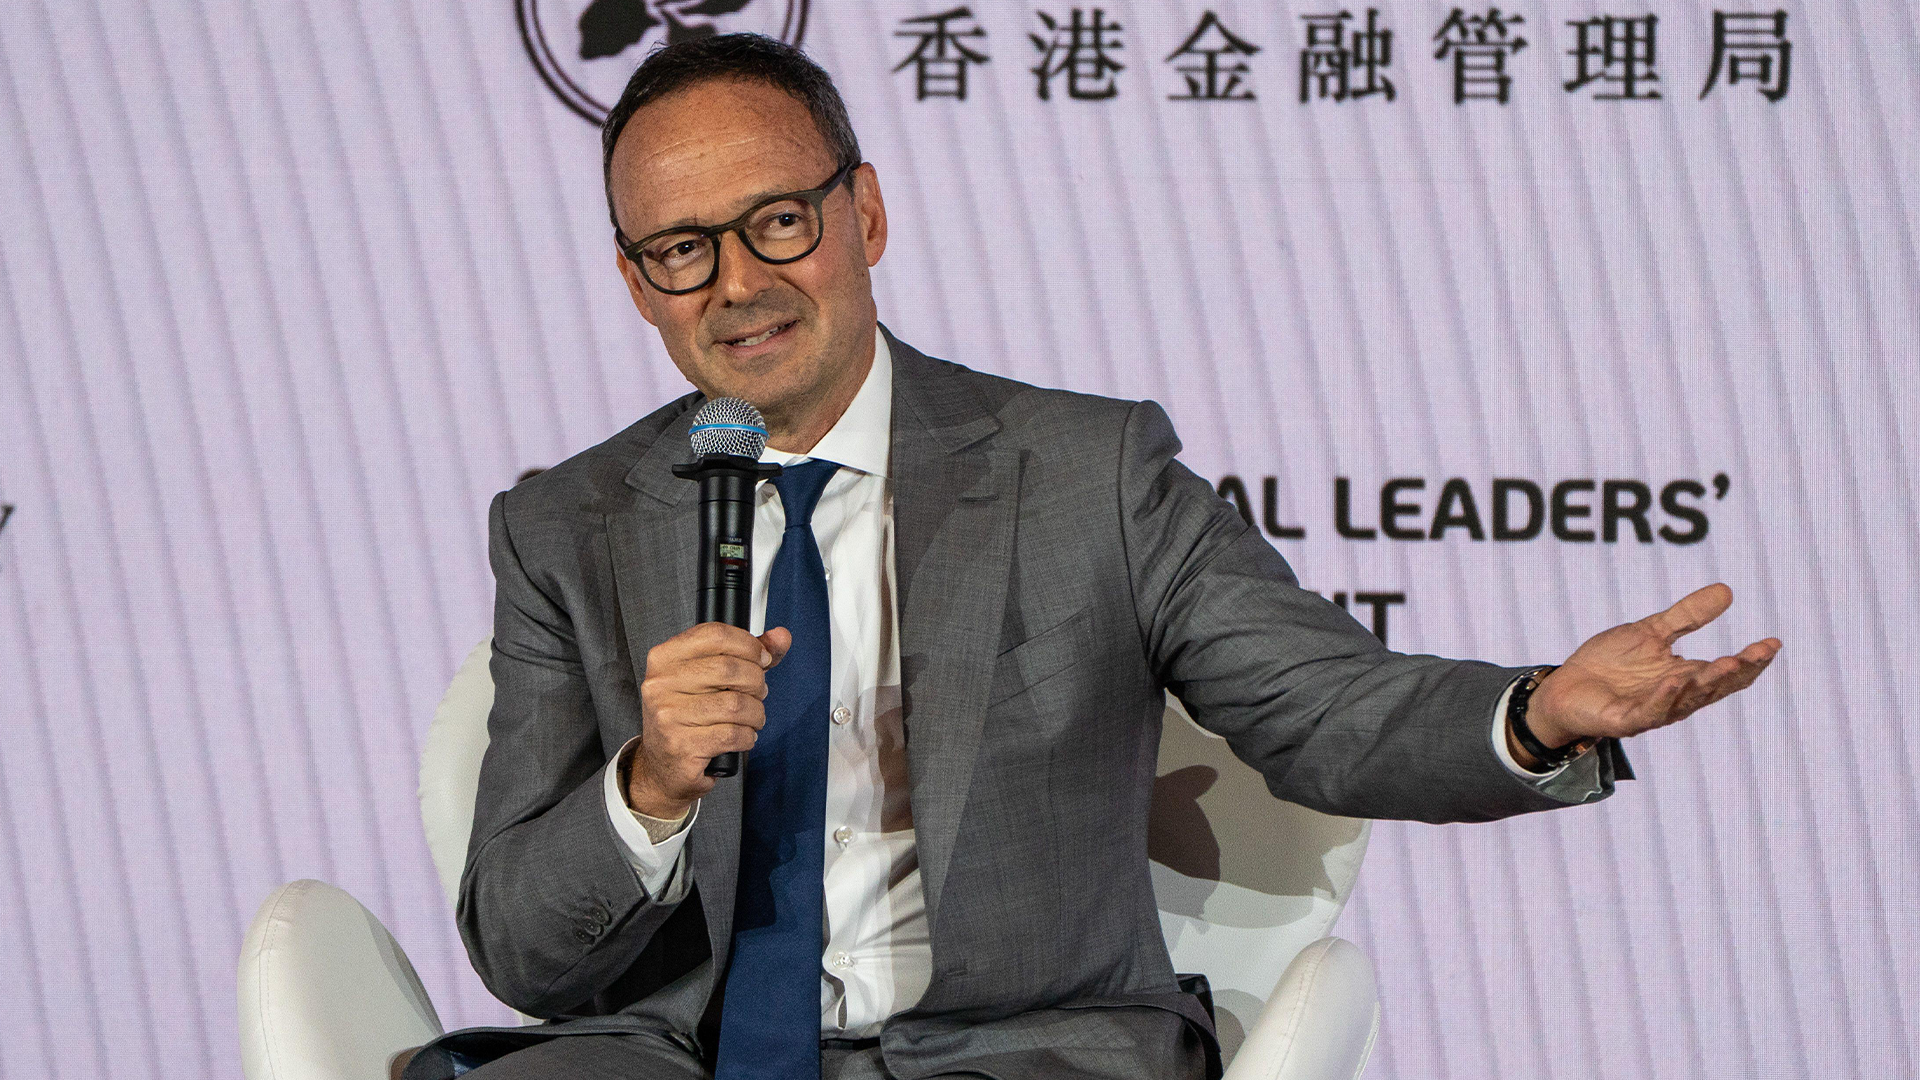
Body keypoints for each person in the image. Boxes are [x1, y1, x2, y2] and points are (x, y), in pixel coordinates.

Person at [404, 33, 1779, 1080]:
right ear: (636, 283)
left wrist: (1536, 713)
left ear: (862, 214)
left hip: (1017, 1052)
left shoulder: (1085, 472)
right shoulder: (565, 526)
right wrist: (646, 787)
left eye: (778, 222)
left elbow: (1322, 710)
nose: (739, 285)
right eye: (682, 251)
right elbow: (523, 950)